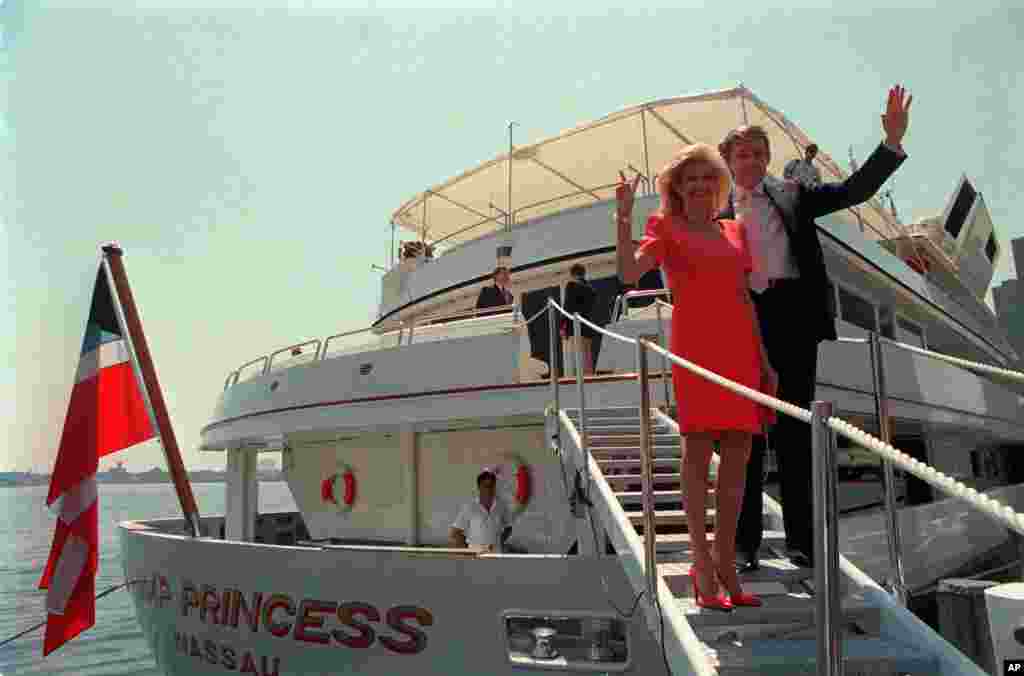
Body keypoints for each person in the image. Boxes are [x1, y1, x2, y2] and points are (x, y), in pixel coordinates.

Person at [720, 85, 911, 571]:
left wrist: (889, 143)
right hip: (741, 322)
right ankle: (744, 546)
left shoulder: (793, 196)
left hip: (791, 318)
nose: (751, 161)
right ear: (728, 160)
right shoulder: (712, 214)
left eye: (759, 153)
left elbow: (853, 192)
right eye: (742, 154)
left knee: (794, 433)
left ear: (767, 159)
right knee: (744, 436)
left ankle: (802, 542)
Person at [615, 144, 778, 611]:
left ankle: (726, 561)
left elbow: (745, 299)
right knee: (698, 451)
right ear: (677, 188)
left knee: (738, 459)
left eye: (709, 178)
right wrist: (624, 217)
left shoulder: (735, 231)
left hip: (739, 350)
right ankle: (702, 563)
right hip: (696, 348)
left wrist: (764, 360)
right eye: (691, 180)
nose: (701, 186)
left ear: (719, 184)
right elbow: (630, 272)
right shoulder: (664, 227)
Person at [449, 469, 512, 552]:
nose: (489, 489)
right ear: (479, 487)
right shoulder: (470, 507)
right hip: (475, 557)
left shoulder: (502, 507)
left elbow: (508, 528)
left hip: (496, 555)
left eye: (491, 486)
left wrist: (499, 542)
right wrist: (467, 550)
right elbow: (455, 533)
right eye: (486, 486)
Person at [561, 263, 598, 375]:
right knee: (587, 356)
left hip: (575, 326)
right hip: (587, 326)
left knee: (576, 356)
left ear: (572, 274)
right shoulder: (591, 289)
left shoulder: (571, 285)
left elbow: (567, 307)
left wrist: (563, 327)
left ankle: (578, 381)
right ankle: (590, 378)